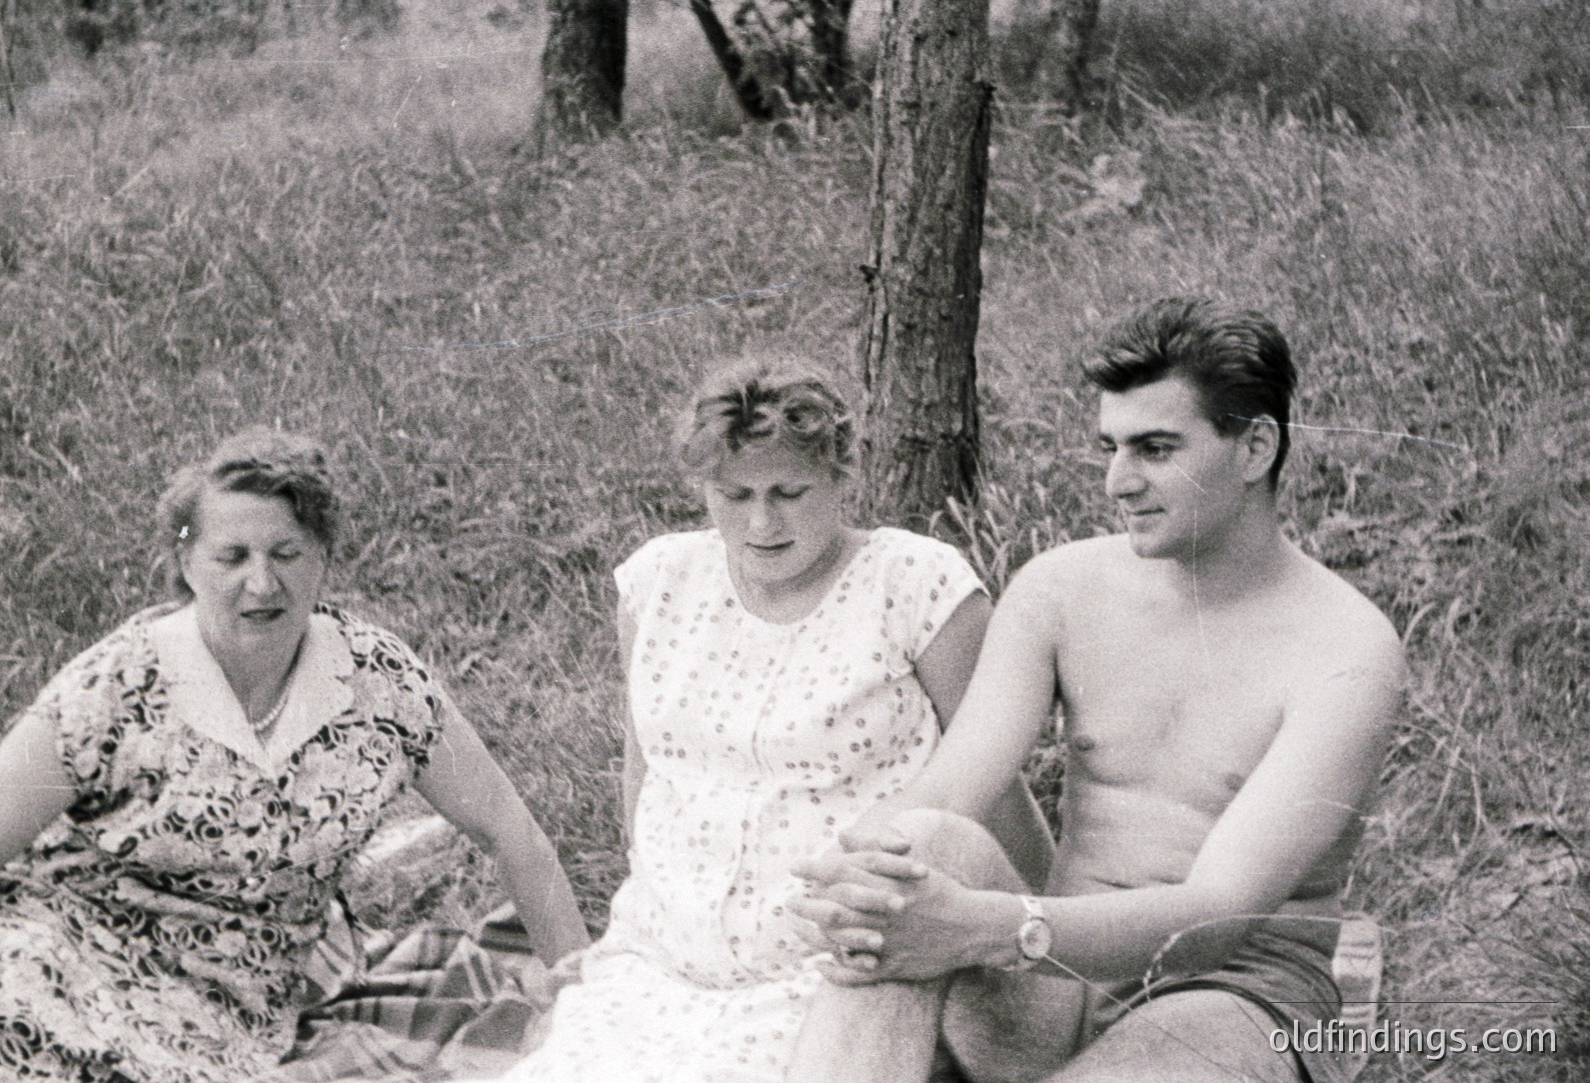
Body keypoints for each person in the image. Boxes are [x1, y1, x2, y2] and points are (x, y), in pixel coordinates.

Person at [787, 298, 1406, 1083]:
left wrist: (983, 927)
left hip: (1230, 995)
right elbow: (946, 790)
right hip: (1054, 979)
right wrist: (852, 879)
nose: (1118, 481)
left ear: (1255, 447)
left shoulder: (1345, 649)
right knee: (917, 850)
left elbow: (1217, 913)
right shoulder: (1060, 588)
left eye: (1155, 448)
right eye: (1110, 447)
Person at [465, 353, 1054, 1083]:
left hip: (829, 972)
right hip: (661, 962)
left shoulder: (916, 586)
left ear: (841, 474)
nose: (761, 521)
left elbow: (993, 780)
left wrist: (1063, 943)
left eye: (788, 491)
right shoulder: (659, 582)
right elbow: (649, 775)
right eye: (734, 493)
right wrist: (624, 934)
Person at [0, 429, 591, 1083]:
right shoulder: (114, 685)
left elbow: (510, 832)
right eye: (231, 556)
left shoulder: (381, 683)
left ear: (322, 556)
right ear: (187, 562)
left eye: (287, 553)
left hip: (235, 1004)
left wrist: (586, 995)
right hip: (69, 945)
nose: (262, 583)